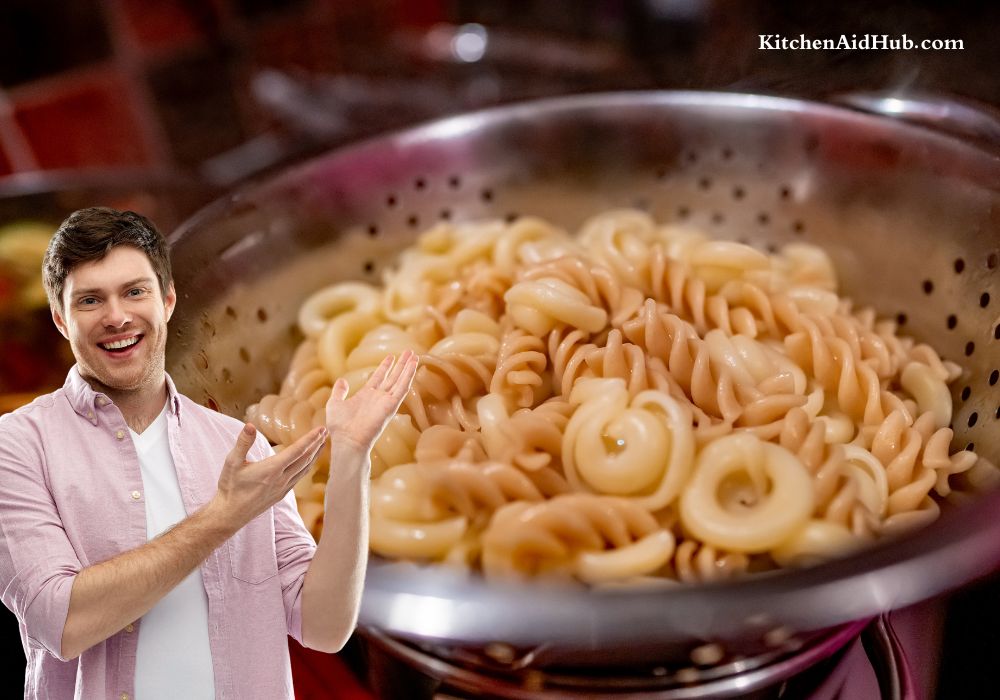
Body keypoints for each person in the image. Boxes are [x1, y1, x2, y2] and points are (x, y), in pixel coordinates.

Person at [0, 207, 418, 699]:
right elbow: (62, 622)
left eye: (135, 291)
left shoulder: (235, 444)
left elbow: (323, 626)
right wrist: (224, 516)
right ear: (61, 320)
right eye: (90, 300)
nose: (117, 317)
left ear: (169, 300)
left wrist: (352, 456)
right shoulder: (18, 444)